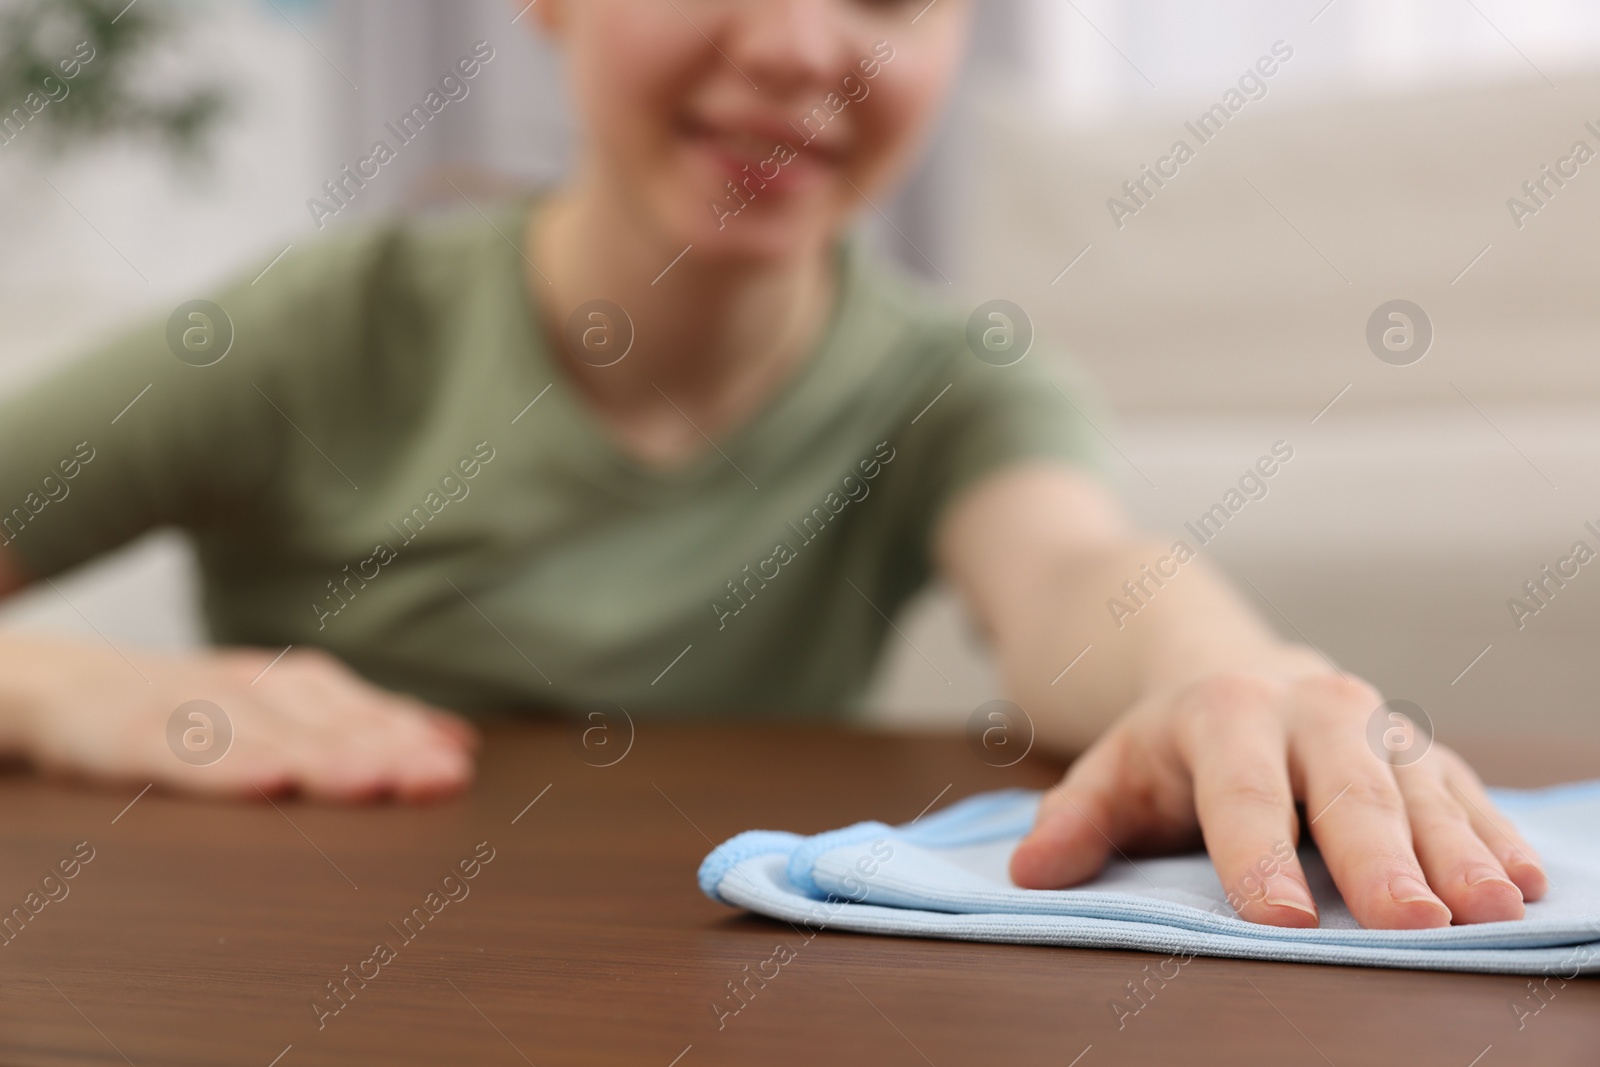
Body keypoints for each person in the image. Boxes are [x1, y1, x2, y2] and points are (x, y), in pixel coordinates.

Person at [0, 0, 1544, 932]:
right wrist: (58, 686)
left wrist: (1230, 676)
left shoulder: (949, 385)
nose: (805, 47)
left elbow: (1072, 570)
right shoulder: (322, 331)